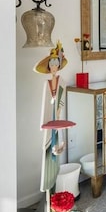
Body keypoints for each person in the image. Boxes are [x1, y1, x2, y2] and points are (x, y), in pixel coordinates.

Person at [34, 41, 68, 192]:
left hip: (58, 116)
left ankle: (54, 185)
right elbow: (45, 102)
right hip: (49, 117)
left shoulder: (62, 82)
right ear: (49, 66)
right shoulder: (46, 84)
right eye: (52, 64)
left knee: (58, 141)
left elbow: (61, 96)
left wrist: (59, 108)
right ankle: (48, 186)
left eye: (57, 63)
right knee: (48, 147)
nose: (54, 66)